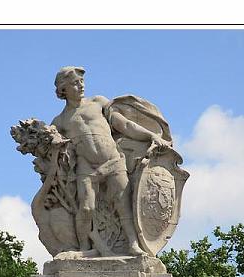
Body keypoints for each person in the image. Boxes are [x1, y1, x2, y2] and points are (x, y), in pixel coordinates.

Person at [51, 66, 170, 255]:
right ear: (63, 89)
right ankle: (83, 250)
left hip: (113, 159)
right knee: (86, 207)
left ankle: (132, 244)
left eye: (82, 81)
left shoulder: (98, 102)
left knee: (123, 203)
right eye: (75, 83)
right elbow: (54, 154)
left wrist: (151, 137)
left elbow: (123, 125)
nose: (81, 86)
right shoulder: (59, 121)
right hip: (87, 167)